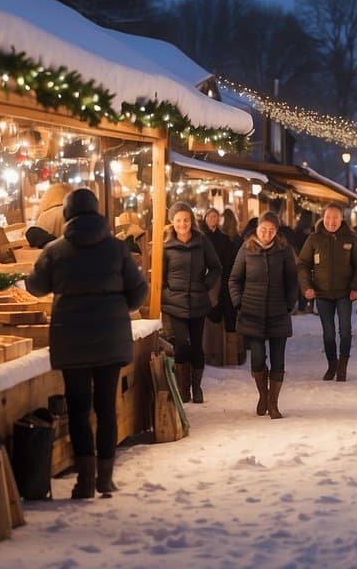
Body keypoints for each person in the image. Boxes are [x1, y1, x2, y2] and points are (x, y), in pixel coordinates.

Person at [26, 188, 148, 498]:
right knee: (106, 407)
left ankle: (84, 480)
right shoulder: (117, 249)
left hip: (72, 340)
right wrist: (121, 305)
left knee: (78, 408)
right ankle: (105, 478)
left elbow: (36, 287)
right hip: (110, 340)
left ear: (67, 215)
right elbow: (138, 292)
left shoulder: (55, 250)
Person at [230, 211, 299, 418]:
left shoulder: (284, 250)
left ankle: (274, 403)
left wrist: (289, 303)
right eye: (263, 229)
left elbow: (292, 280)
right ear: (257, 229)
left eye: (271, 230)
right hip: (252, 313)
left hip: (279, 312)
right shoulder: (247, 248)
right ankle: (263, 394)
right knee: (258, 359)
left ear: (276, 231)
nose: (267, 233)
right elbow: (234, 278)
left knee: (278, 360)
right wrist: (239, 302)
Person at [160, 202, 222, 404]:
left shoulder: (202, 242)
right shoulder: (166, 245)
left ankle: (197, 387)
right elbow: (160, 274)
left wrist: (205, 285)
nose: (182, 224)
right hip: (174, 303)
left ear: (191, 221)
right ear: (172, 222)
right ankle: (183, 387)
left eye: (186, 220)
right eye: (178, 220)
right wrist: (165, 291)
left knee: (196, 345)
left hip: (197, 301)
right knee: (180, 345)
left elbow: (215, 267)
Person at [297, 204, 357, 382]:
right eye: (328, 217)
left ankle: (342, 366)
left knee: (345, 330)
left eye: (335, 218)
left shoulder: (350, 237)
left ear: (341, 219)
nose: (331, 222)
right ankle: (332, 364)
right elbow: (303, 264)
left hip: (345, 293)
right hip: (322, 293)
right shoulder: (314, 238)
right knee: (328, 333)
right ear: (323, 218)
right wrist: (307, 287)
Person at [204, 208, 240, 337]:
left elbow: (230, 259)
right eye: (210, 216)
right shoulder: (202, 237)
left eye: (215, 216)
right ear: (206, 218)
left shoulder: (224, 239)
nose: (213, 219)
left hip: (223, 277)